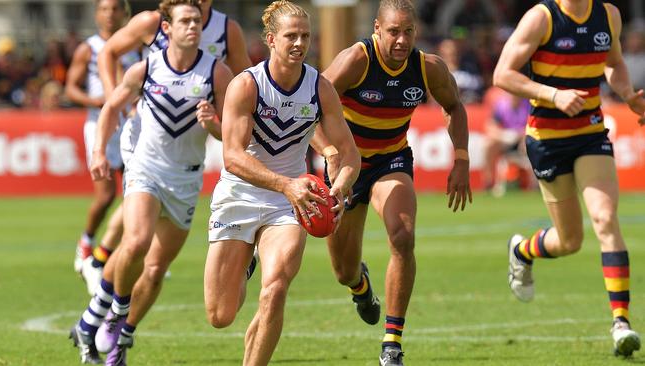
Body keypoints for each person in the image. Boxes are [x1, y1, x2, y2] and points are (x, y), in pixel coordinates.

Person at [69, 1, 233, 364]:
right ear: (167, 28)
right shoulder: (146, 68)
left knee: (156, 270)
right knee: (137, 240)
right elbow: (111, 106)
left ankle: (112, 333)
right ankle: (114, 312)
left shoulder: (217, 73)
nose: (193, 26)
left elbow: (234, 132)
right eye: (185, 21)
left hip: (186, 176)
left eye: (196, 21)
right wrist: (99, 152)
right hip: (144, 163)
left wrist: (213, 125)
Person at [311, 1, 472, 365]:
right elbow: (312, 106)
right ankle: (360, 287)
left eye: (409, 31)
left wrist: (461, 157)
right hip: (347, 165)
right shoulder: (357, 60)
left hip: (390, 160)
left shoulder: (427, 67)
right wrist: (333, 155)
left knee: (403, 235)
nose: (402, 40)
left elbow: (455, 107)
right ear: (377, 30)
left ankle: (392, 343)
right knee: (342, 271)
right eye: (394, 31)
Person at [204, 1, 360, 365]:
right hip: (239, 195)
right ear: (272, 39)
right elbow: (233, 157)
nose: (299, 43)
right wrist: (285, 185)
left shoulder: (319, 88)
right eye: (291, 36)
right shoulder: (247, 85)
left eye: (305, 36)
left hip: (290, 203)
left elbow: (350, 154)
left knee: (274, 291)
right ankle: (246, 261)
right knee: (220, 315)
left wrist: (339, 188)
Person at [493, 0, 645, 357]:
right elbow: (502, 73)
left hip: (590, 133)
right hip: (546, 139)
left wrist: (627, 95)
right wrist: (553, 94)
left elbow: (615, 63)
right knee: (569, 240)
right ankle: (522, 250)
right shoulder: (541, 18)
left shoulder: (608, 15)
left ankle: (620, 322)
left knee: (606, 220)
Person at [79, 0, 253, 293]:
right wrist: (118, 102)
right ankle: (102, 259)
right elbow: (108, 52)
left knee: (146, 231)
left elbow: (247, 82)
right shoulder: (153, 21)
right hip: (144, 133)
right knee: (142, 201)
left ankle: (106, 259)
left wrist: (227, 122)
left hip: (187, 144)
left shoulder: (227, 29)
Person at [65, 0, 137, 282]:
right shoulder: (89, 47)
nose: (110, 15)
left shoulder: (135, 42)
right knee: (106, 195)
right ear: (97, 14)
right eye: (104, 9)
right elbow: (70, 87)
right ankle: (86, 242)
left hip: (131, 124)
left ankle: (129, 253)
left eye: (115, 9)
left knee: (137, 192)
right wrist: (94, 100)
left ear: (124, 13)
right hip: (101, 124)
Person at [482, 89, 531, 194]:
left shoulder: (529, 105)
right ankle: (489, 183)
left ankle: (534, 186)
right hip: (507, 140)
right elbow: (490, 127)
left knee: (528, 144)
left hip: (524, 140)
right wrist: (504, 135)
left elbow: (533, 125)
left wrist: (522, 135)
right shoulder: (501, 105)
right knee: (489, 145)